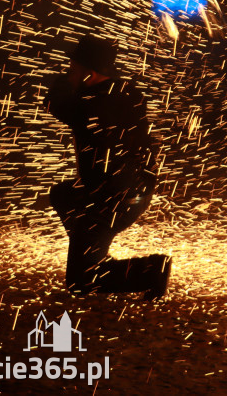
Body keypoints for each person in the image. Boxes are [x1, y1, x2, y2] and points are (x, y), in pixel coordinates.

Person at [45, 34, 171, 300]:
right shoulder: (123, 91)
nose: (69, 73)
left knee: (81, 282)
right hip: (121, 191)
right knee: (62, 194)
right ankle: (90, 251)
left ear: (89, 74)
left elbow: (57, 104)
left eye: (73, 69)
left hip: (110, 200)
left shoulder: (94, 104)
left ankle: (151, 270)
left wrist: (64, 83)